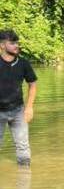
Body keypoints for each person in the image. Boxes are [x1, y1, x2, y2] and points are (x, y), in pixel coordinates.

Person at [0, 29, 37, 166]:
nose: (17, 45)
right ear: (2, 45)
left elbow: (32, 85)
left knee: (23, 147)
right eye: (12, 43)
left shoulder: (23, 63)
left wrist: (29, 108)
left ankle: (25, 178)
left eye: (17, 42)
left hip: (18, 111)